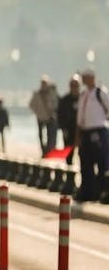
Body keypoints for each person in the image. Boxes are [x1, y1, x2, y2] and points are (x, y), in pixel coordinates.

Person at [75, 69, 108, 202]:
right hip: (85, 132)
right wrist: (78, 136)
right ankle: (87, 191)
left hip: (98, 130)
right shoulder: (83, 94)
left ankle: (102, 190)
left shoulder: (100, 93)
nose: (83, 80)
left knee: (101, 162)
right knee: (85, 163)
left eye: (85, 77)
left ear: (91, 78)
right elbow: (79, 118)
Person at [29, 76, 59, 155]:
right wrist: (37, 112)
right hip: (40, 117)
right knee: (41, 135)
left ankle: (48, 150)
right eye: (42, 83)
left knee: (50, 134)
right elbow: (31, 105)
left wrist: (52, 111)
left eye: (45, 83)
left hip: (50, 117)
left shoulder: (51, 93)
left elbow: (56, 103)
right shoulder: (37, 94)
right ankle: (43, 150)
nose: (44, 85)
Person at [57, 75, 81, 165]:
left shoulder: (83, 98)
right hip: (68, 129)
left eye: (76, 85)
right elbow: (59, 115)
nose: (74, 87)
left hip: (81, 129)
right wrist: (63, 129)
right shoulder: (64, 100)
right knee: (68, 152)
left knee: (83, 152)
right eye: (72, 85)